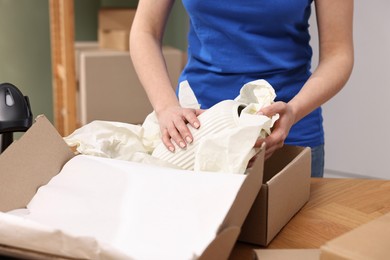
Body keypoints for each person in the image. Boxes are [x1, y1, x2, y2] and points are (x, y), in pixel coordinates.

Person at [129, 0, 354, 177]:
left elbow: (338, 54)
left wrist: (293, 111)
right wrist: (166, 106)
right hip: (197, 131)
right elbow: (145, 30)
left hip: (287, 133)